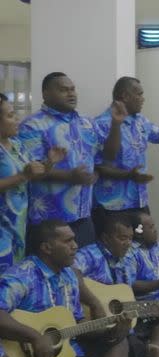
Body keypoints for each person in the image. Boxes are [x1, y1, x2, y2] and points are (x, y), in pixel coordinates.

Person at [0, 221, 130, 357]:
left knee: (119, 341)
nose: (75, 246)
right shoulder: (21, 276)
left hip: (67, 350)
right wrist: (34, 336)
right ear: (46, 248)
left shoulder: (69, 275)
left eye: (74, 239)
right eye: (68, 241)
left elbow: (76, 325)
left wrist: (111, 331)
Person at [18, 72, 126, 248]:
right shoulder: (33, 125)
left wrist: (116, 125)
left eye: (72, 89)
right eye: (63, 90)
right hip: (49, 223)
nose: (71, 94)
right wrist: (70, 177)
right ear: (45, 94)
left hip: (83, 218)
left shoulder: (86, 123)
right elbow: (31, 171)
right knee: (52, 273)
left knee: (84, 273)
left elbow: (109, 155)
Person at [72, 211, 159, 357]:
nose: (127, 244)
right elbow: (72, 271)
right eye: (122, 238)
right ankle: (144, 348)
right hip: (90, 324)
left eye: (131, 239)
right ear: (106, 238)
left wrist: (156, 310)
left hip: (118, 323)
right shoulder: (91, 254)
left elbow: (123, 301)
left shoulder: (125, 261)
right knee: (124, 342)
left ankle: (146, 345)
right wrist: (94, 303)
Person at [93, 76, 159, 216]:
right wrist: (128, 175)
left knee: (144, 237)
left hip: (139, 201)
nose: (143, 98)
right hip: (112, 206)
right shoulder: (101, 123)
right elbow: (100, 165)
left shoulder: (140, 121)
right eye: (139, 94)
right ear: (125, 96)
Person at [0, 94, 66, 273]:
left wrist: (49, 162)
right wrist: (22, 176)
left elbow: (33, 174)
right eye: (10, 115)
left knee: (14, 278)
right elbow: (24, 175)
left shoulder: (16, 145)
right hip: (2, 227)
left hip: (18, 225)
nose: (17, 120)